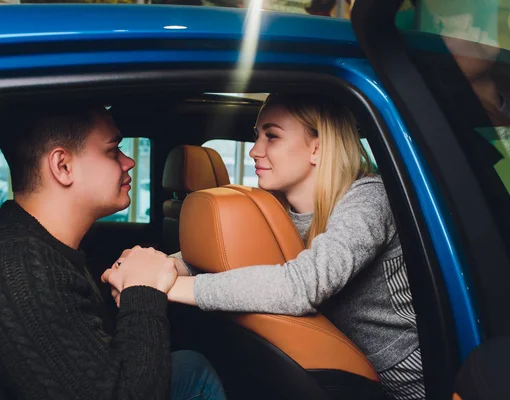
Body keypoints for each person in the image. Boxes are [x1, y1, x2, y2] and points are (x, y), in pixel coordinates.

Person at [108, 93, 425, 399]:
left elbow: (304, 285)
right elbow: (211, 256)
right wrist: (149, 268)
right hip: (335, 371)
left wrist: (157, 288)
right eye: (256, 135)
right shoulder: (275, 206)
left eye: (271, 136)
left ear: (317, 147)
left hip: (406, 380)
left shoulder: (369, 198)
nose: (254, 151)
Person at [0, 106, 226, 400]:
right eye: (113, 150)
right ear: (63, 166)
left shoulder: (35, 245)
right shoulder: (16, 268)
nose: (128, 162)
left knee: (193, 368)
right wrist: (141, 291)